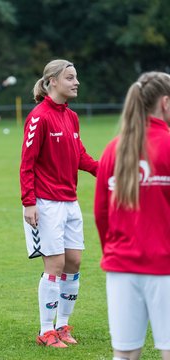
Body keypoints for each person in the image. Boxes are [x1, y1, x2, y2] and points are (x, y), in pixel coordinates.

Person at [20, 59, 98, 348]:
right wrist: (29, 202)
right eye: (70, 77)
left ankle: (63, 326)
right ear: (53, 81)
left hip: (70, 202)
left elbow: (80, 157)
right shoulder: (39, 117)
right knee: (54, 264)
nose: (76, 82)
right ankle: (46, 331)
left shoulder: (72, 117)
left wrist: (106, 171)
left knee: (74, 262)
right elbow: (26, 164)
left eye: (75, 77)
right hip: (45, 203)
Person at [94, 71, 170, 360]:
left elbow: (101, 214)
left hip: (121, 266)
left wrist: (115, 253)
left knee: (124, 354)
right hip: (164, 266)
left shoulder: (113, 149)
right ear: (164, 102)